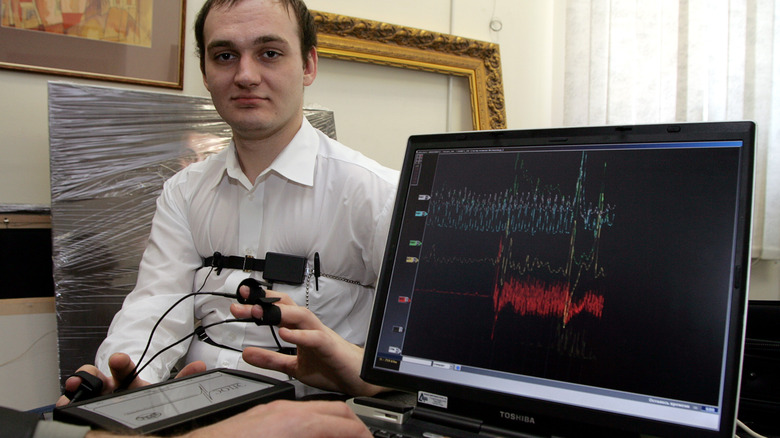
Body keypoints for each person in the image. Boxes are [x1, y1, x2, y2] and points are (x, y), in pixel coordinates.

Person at [93, 0, 399, 385]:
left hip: (323, 412)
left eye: (269, 53)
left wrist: (370, 374)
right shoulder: (184, 192)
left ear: (308, 65)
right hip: (201, 405)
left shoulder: (381, 195)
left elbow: (421, 346)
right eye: (225, 56)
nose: (245, 75)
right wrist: (121, 380)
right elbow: (155, 305)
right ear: (205, 72)